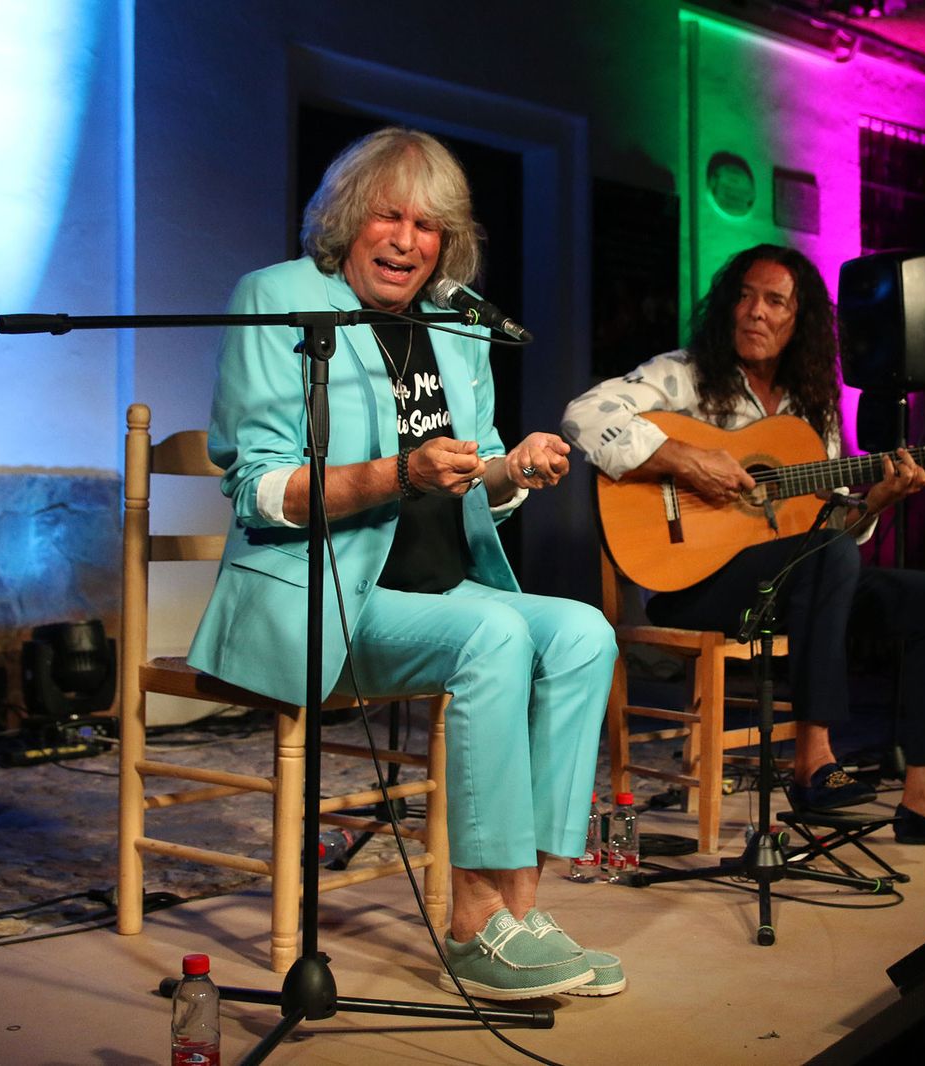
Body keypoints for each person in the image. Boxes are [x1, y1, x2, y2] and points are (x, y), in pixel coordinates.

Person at [187, 127, 624, 1000]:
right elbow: (258, 489)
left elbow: (481, 469)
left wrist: (514, 468)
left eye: (427, 226)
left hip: (439, 590)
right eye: (387, 215)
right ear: (348, 219)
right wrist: (396, 473)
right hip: (328, 595)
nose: (405, 240)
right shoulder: (276, 298)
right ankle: (471, 926)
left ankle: (519, 910)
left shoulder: (458, 319)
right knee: (495, 635)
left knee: (583, 633)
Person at [561, 243, 925, 847]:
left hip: (797, 585)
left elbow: (829, 523)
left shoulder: (812, 410)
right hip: (696, 588)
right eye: (745, 297)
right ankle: (812, 759)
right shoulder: (684, 374)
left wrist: (876, 501)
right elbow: (584, 415)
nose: (755, 311)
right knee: (828, 559)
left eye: (774, 301)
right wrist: (688, 459)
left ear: (797, 322)